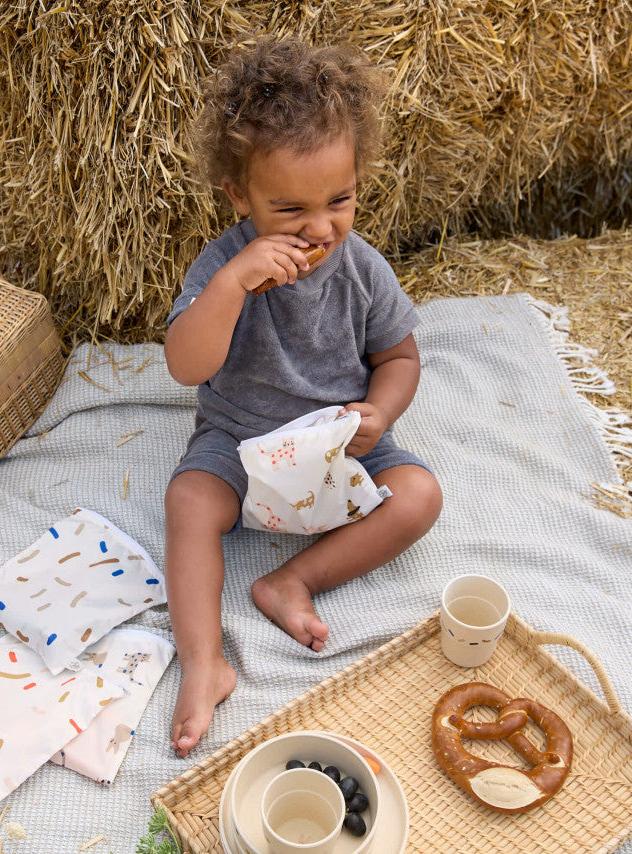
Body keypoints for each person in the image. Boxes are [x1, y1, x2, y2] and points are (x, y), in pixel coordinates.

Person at [163, 37, 443, 757]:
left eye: (339, 200)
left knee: (419, 496)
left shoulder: (361, 267)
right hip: (241, 443)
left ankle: (292, 581)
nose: (320, 228)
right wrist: (233, 285)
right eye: (289, 208)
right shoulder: (222, 263)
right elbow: (185, 366)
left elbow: (399, 357)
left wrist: (379, 412)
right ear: (238, 194)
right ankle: (203, 662)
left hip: (340, 443)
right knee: (189, 502)